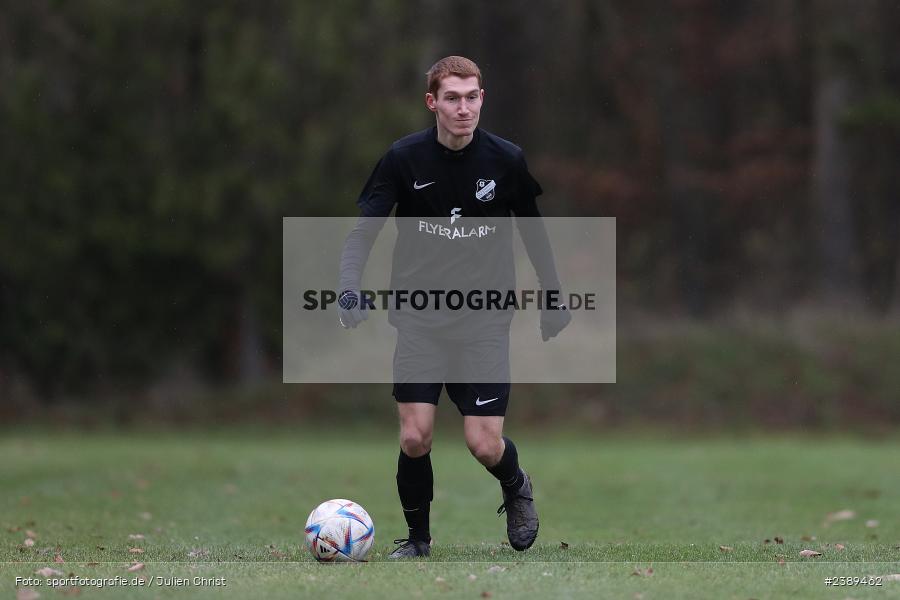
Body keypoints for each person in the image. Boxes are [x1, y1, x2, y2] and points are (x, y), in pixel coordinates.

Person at [338, 55, 570, 558]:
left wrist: (554, 292)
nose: (463, 107)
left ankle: (516, 485)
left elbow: (534, 231)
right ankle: (418, 541)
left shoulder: (506, 160)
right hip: (420, 318)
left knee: (484, 444)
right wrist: (348, 284)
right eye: (452, 97)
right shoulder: (402, 159)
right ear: (433, 102)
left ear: (482, 98)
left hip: (484, 320)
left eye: (471, 97)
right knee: (415, 437)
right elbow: (364, 232)